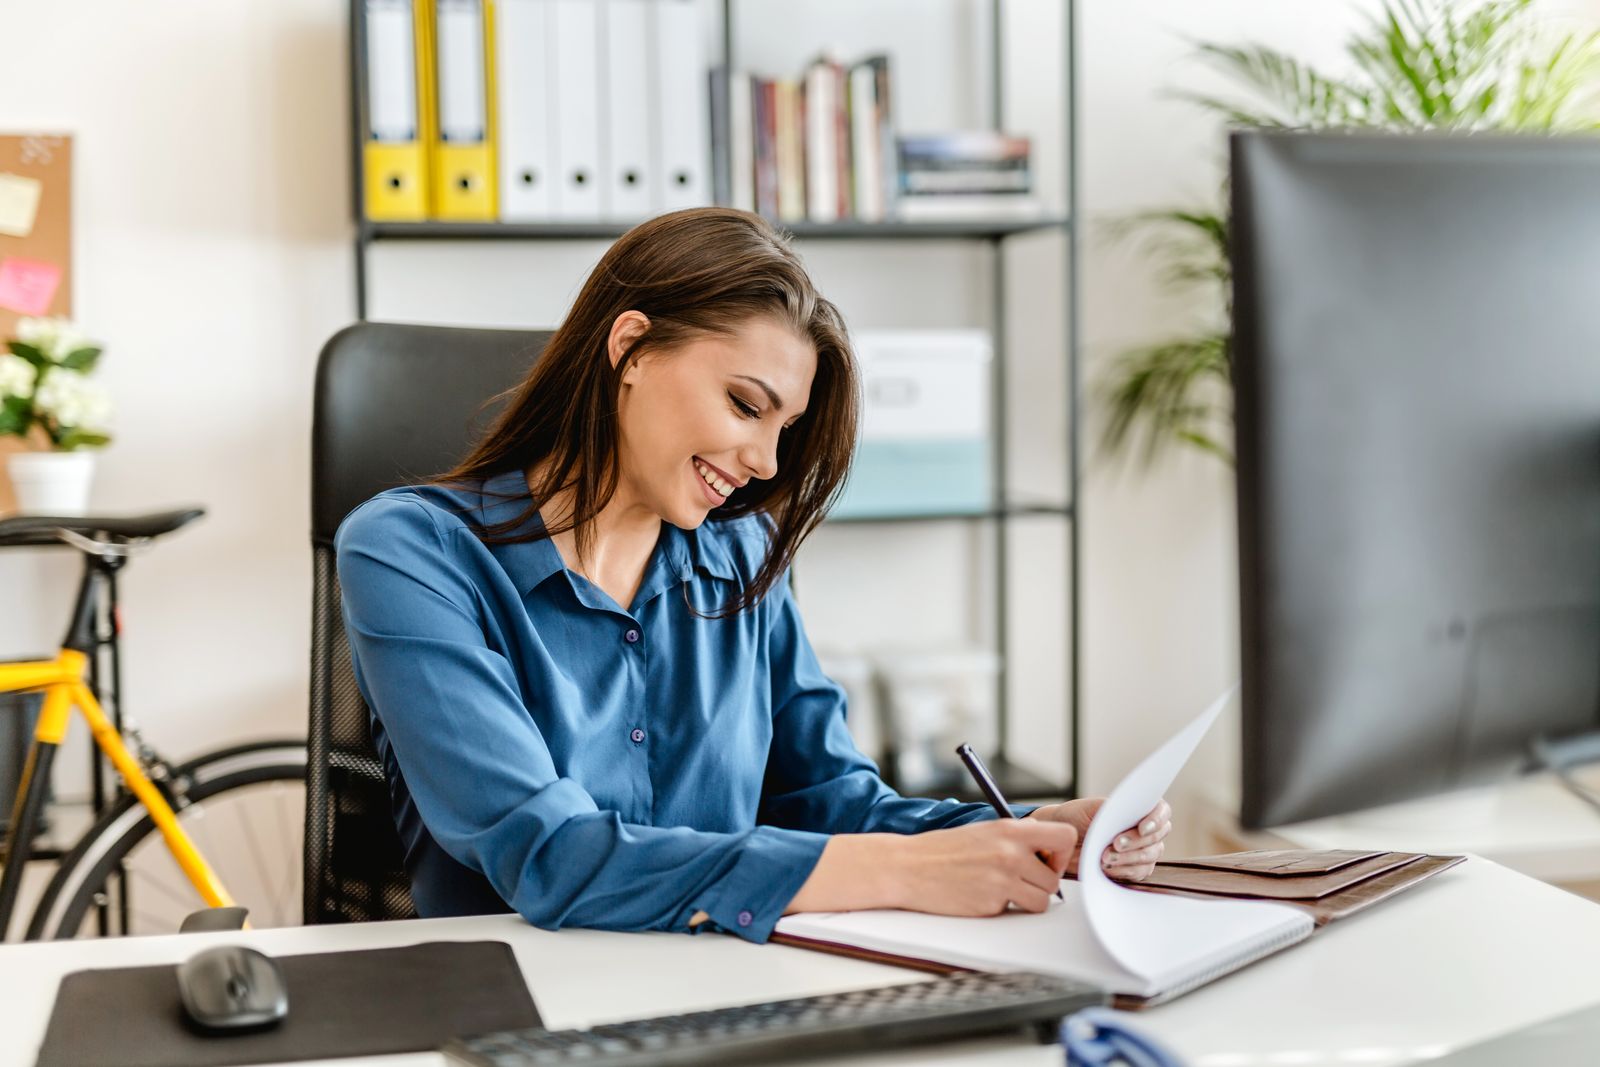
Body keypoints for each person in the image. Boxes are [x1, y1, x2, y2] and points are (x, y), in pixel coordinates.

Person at [335, 207, 1171, 943]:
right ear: (630, 347)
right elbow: (550, 855)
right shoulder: (411, 552)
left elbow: (833, 802)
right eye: (744, 404)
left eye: (785, 427)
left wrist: (1032, 828)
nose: (766, 462)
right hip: (521, 1007)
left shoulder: (739, 554)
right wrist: (899, 871)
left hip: (732, 986)